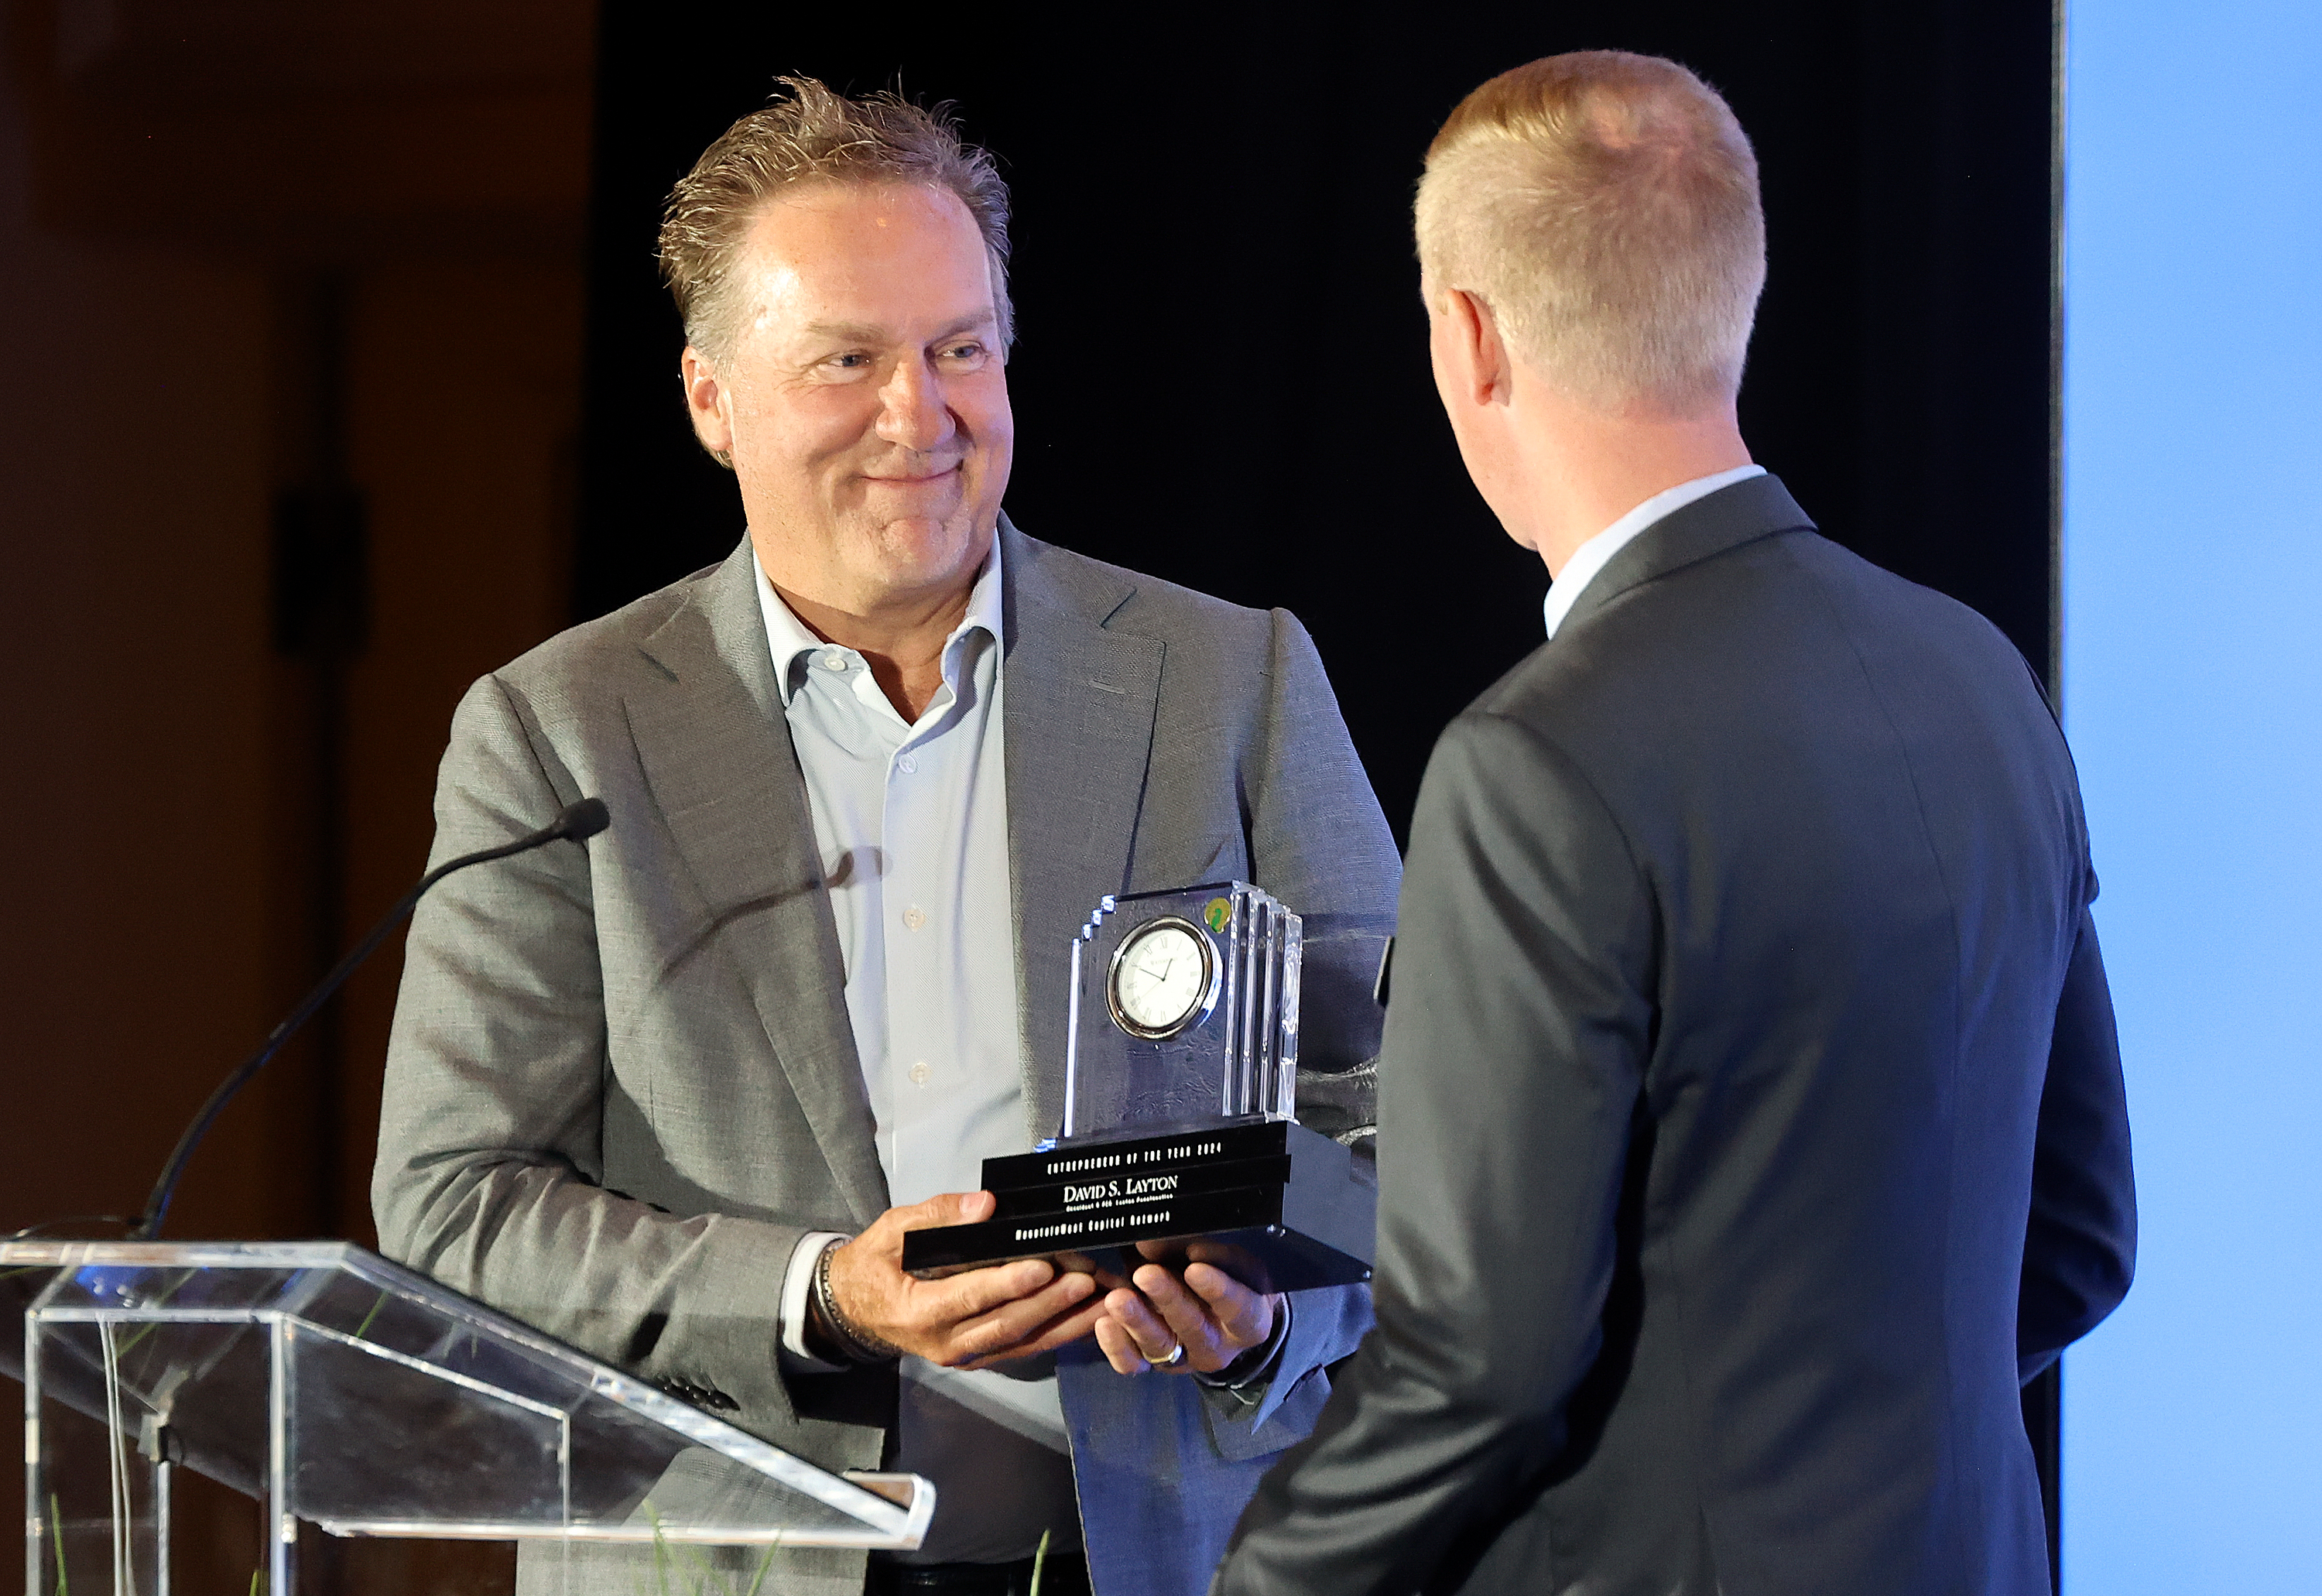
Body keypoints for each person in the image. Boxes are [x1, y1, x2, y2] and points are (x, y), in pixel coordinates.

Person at [372, 77, 1399, 1596]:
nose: (920, 414)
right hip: (723, 1561)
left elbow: (1397, 1118)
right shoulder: (560, 733)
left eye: (958, 349)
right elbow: (455, 1201)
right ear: (711, 400)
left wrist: (1268, 1305)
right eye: (848, 359)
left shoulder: (1225, 679)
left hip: (1158, 1552)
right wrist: (820, 1291)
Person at [1214, 50, 2135, 1596]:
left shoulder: (1537, 761)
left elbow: (1474, 1370)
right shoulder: (1981, 674)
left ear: (1467, 335)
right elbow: (2081, 1234)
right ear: (1735, 293)